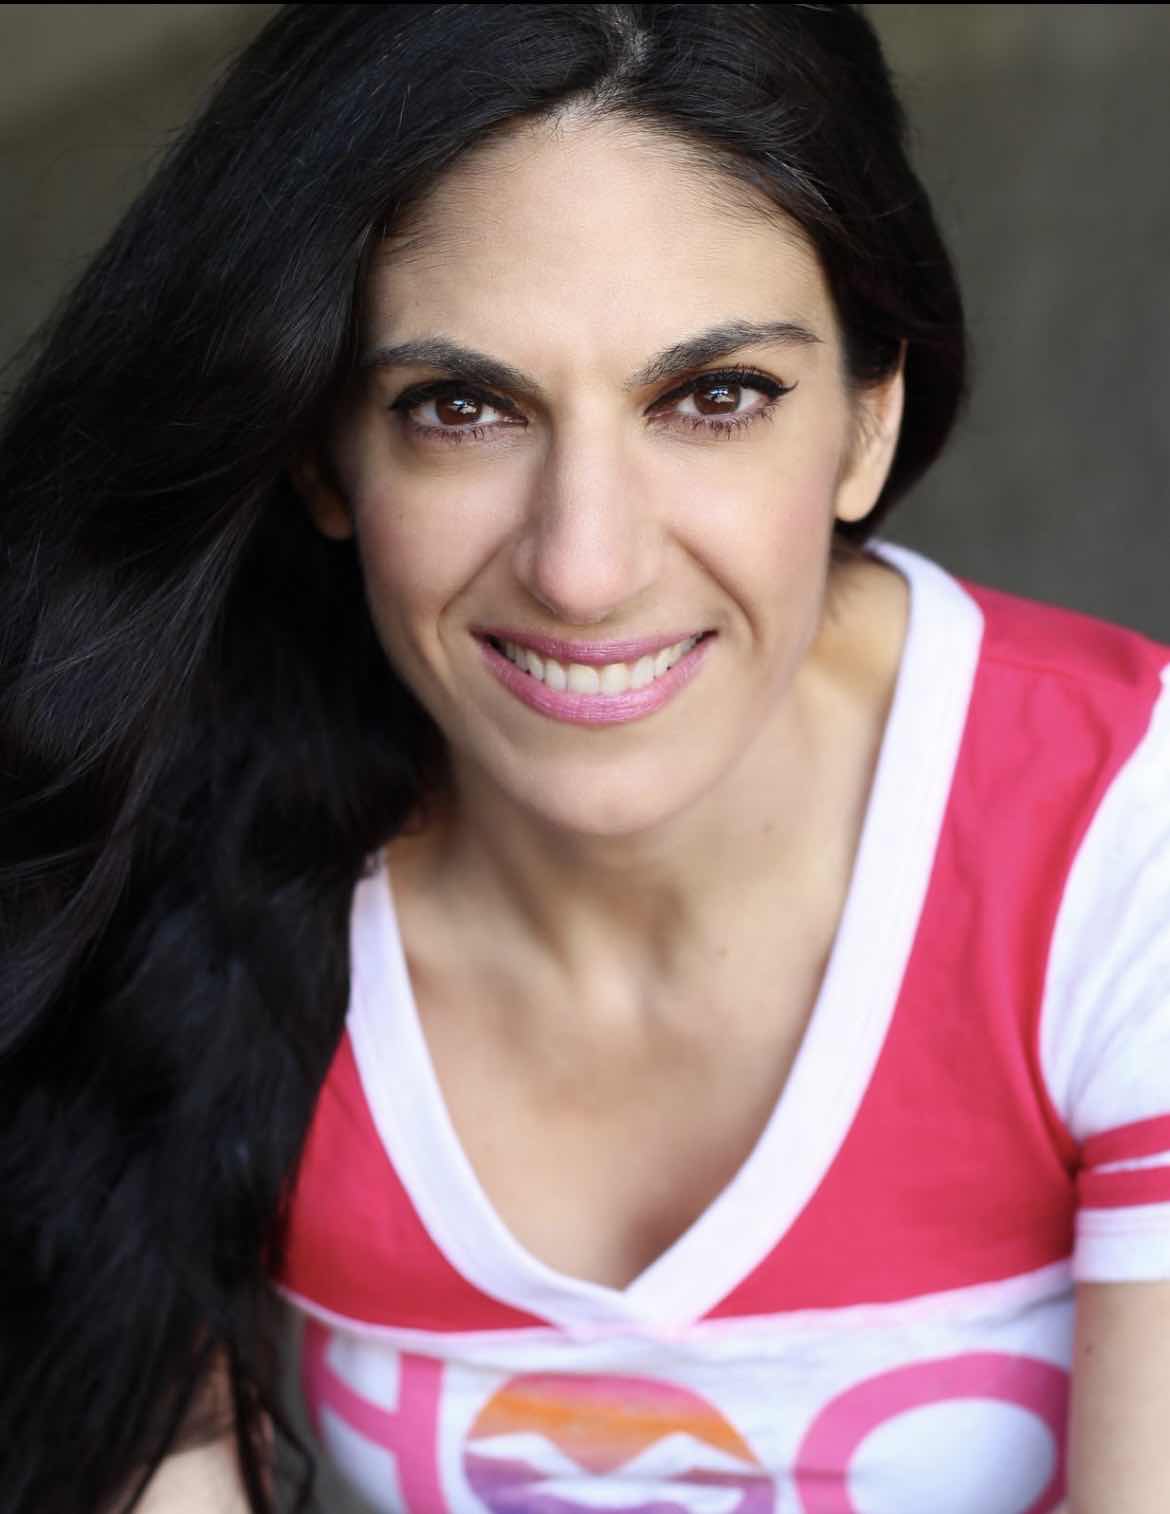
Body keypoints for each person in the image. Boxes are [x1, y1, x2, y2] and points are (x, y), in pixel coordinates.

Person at [2, 4, 1168, 1512]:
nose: (584, 569)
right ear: (324, 452)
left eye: (713, 397)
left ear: (867, 423)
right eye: (462, 408)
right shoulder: (153, 830)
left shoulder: (1124, 835)